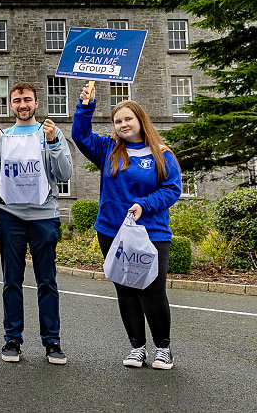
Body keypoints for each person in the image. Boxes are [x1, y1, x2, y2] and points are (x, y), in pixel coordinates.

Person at [72, 84, 181, 370]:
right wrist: (86, 106)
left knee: (152, 290)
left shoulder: (161, 152)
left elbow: (172, 189)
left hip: (152, 232)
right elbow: (80, 135)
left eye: (127, 119)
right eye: (117, 121)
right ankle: (137, 348)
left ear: (140, 120)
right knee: (125, 290)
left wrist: (145, 203)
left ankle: (163, 349)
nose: (122, 125)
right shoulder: (108, 148)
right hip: (111, 231)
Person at [0, 82, 73, 365]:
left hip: (44, 216)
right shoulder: (3, 136)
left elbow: (65, 172)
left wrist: (55, 141)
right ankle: (12, 339)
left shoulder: (50, 134)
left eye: (27, 100)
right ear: (11, 104)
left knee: (47, 281)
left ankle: (52, 342)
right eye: (17, 100)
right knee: (12, 281)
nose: (22, 104)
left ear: (36, 102)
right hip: (10, 215)